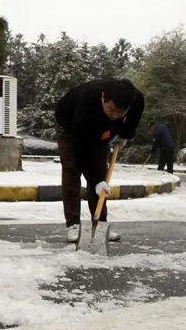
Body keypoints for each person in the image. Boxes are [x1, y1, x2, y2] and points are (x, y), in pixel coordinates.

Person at [54, 78, 145, 243]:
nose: (115, 115)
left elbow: (133, 119)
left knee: (100, 172)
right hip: (70, 130)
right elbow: (81, 149)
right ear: (103, 97)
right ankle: (73, 225)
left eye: (120, 112)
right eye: (111, 110)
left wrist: (125, 135)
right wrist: (96, 180)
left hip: (100, 130)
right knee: (72, 171)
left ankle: (100, 224)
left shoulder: (135, 99)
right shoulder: (86, 101)